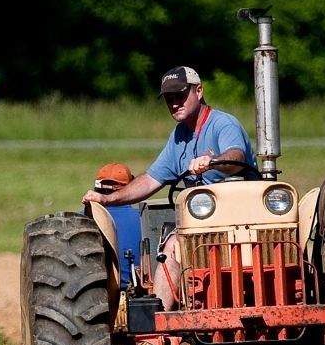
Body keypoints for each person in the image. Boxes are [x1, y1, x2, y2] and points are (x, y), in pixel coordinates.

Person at [82, 66, 256, 309]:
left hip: (243, 220)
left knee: (175, 243)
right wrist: (107, 200)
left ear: (199, 91)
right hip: (201, 225)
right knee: (171, 247)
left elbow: (237, 157)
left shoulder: (223, 124)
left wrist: (213, 162)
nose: (174, 103)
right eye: (169, 99)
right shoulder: (179, 137)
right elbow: (151, 180)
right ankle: (158, 329)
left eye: (180, 96)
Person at [90, 162, 143, 290]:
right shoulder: (144, 219)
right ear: (131, 189)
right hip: (135, 292)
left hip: (94, 292)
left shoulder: (82, 219)